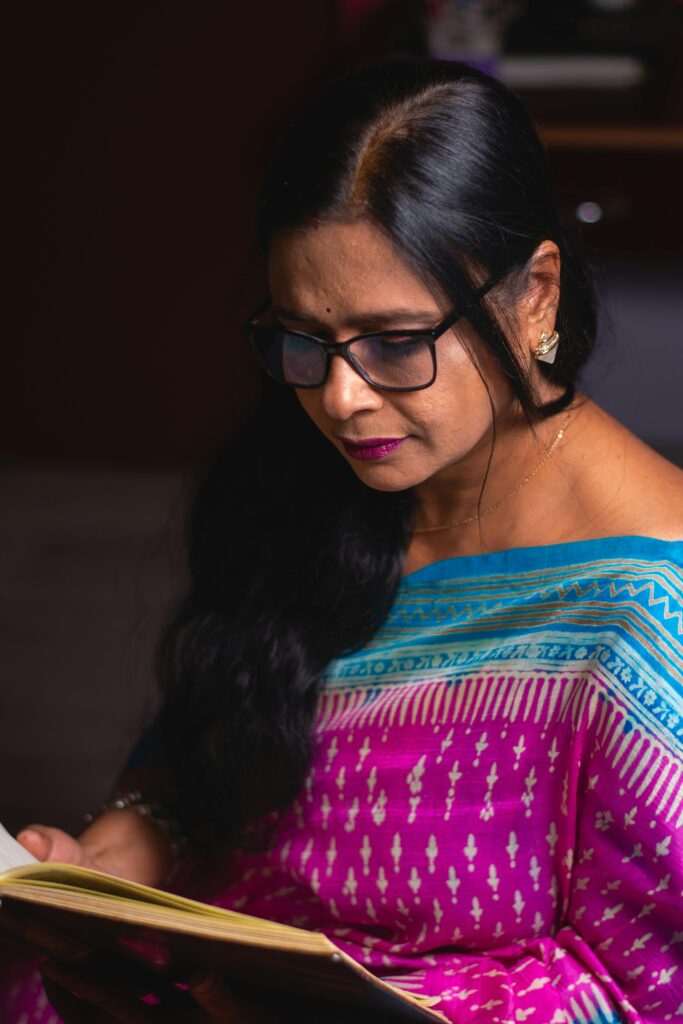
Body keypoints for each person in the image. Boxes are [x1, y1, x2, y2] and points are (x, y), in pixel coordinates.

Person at [2, 57, 682, 1024]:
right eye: (300, 339)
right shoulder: (318, 476)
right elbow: (221, 730)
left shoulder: (654, 613)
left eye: (395, 341)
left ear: (534, 295)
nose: (339, 397)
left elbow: (640, 990)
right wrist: (128, 844)